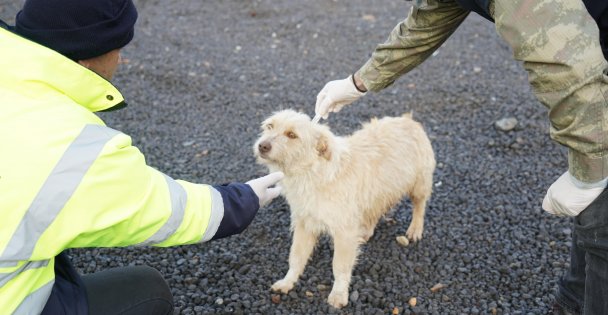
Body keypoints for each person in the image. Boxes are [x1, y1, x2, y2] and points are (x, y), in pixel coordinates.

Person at [314, 1, 608, 314]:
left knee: (601, 225)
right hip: (588, 49)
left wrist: (589, 168)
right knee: (593, 214)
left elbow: (565, 63)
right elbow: (431, 17)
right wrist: (358, 82)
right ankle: (574, 302)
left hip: (585, 61)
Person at [0, 0, 284, 314]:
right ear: (88, 59)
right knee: (148, 291)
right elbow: (166, 209)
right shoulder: (71, 149)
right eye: (117, 48)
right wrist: (246, 198)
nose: (120, 60)